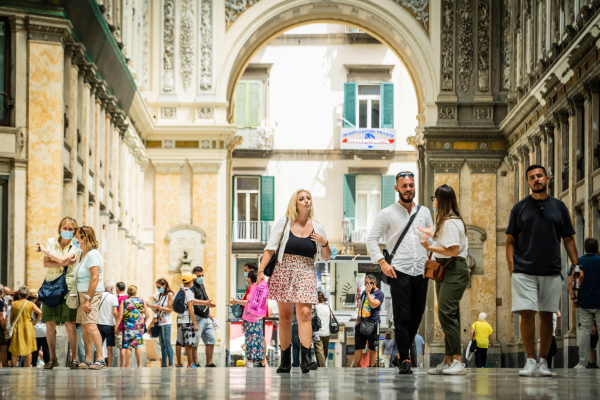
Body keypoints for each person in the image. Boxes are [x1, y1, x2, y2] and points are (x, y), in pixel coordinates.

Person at [506, 165, 579, 377]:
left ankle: (544, 361)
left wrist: (577, 265)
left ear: (547, 178)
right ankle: (530, 360)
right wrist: (512, 267)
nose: (536, 180)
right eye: (531, 178)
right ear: (528, 182)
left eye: (539, 176)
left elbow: (569, 239)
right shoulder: (519, 208)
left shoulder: (559, 207)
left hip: (551, 270)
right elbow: (509, 242)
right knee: (527, 314)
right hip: (524, 270)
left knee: (547, 316)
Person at [257, 189, 331, 374]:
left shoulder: (318, 227)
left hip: (306, 270)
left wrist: (324, 242)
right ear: (295, 203)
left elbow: (326, 256)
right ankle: (285, 361)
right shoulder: (284, 222)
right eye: (302, 199)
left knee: (305, 314)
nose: (306, 201)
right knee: (285, 317)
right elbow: (270, 249)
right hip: (284, 269)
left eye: (308, 198)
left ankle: (306, 359)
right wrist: (260, 271)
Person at [366, 171, 433, 374]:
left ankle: (399, 353)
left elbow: (431, 239)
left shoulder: (425, 212)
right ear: (397, 188)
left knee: (417, 315)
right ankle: (404, 359)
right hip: (399, 271)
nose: (408, 189)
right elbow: (371, 240)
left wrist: (432, 257)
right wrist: (382, 263)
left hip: (421, 271)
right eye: (404, 186)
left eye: (411, 185)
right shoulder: (387, 213)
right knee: (402, 316)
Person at [418, 184, 470, 375]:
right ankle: (449, 360)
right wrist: (430, 234)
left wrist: (429, 247)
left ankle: (457, 361)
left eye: (435, 197)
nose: (433, 200)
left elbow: (453, 250)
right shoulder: (447, 221)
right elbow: (444, 241)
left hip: (454, 270)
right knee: (451, 313)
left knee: (446, 314)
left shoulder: (449, 222)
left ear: (440, 200)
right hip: (448, 271)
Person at [36, 217, 82, 370]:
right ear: (60, 228)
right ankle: (52, 358)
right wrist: (61, 261)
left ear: (74, 232)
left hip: (68, 288)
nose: (67, 231)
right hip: (50, 286)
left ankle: (74, 358)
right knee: (50, 324)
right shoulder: (51, 242)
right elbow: (46, 263)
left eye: (70, 229)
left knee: (70, 324)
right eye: (65, 228)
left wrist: (47, 252)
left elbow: (61, 259)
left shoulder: (76, 247)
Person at [73, 225, 106, 370]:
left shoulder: (92, 254)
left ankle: (100, 358)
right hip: (82, 293)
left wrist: (87, 298)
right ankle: (87, 358)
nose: (75, 238)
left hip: (90, 293)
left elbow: (95, 278)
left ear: (84, 237)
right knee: (85, 326)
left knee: (91, 325)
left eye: (77, 235)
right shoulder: (83, 254)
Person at [569, 237, 600, 370]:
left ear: (585, 248)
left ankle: (582, 363)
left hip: (585, 303)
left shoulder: (579, 262)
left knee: (585, 333)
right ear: (597, 248)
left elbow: (571, 282)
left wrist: (573, 298)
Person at [231, 270, 266, 367]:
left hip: (251, 318)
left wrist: (236, 301)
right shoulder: (259, 289)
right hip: (257, 317)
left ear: (249, 279)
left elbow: (248, 303)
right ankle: (258, 359)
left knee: (250, 338)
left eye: (247, 277)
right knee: (257, 337)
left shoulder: (251, 288)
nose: (246, 279)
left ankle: (251, 360)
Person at [114, 285, 150, 368]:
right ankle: (140, 365)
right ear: (136, 292)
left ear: (128, 292)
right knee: (137, 345)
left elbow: (120, 316)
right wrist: (142, 322)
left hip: (128, 327)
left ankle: (127, 365)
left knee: (128, 346)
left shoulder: (125, 301)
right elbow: (148, 315)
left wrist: (116, 326)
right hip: (139, 327)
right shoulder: (141, 300)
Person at [353, 275, 384, 368]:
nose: (364, 284)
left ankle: (371, 366)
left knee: (373, 348)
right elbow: (361, 307)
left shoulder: (379, 294)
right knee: (358, 347)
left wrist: (368, 293)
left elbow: (373, 305)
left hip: (373, 323)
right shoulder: (363, 292)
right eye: (364, 282)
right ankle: (356, 366)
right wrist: (357, 321)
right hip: (362, 323)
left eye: (366, 282)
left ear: (372, 283)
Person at [190, 267, 217, 367]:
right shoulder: (191, 286)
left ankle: (209, 363)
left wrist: (209, 313)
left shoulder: (201, 285)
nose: (201, 278)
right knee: (195, 342)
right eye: (198, 276)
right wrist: (205, 303)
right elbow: (191, 301)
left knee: (211, 339)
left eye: (202, 275)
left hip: (206, 317)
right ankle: (195, 362)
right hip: (197, 317)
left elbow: (204, 298)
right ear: (193, 276)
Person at [9, 286, 41, 367]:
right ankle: (27, 367)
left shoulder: (14, 304)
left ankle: (13, 367)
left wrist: (13, 323)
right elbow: (40, 312)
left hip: (17, 326)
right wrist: (35, 322)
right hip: (28, 326)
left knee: (15, 348)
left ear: (19, 294)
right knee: (28, 348)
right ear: (27, 295)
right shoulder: (30, 304)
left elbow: (11, 317)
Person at [147, 278, 174, 367]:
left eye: (159, 287)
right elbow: (158, 311)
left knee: (167, 343)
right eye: (157, 287)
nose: (158, 288)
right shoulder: (161, 295)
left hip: (166, 322)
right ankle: (164, 364)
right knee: (162, 344)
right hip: (160, 321)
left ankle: (170, 363)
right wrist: (151, 306)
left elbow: (170, 310)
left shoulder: (170, 294)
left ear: (165, 285)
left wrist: (158, 307)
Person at [178, 273, 198, 367]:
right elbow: (190, 309)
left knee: (179, 342)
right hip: (188, 321)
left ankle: (178, 363)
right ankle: (190, 364)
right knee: (188, 343)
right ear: (190, 281)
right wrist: (195, 323)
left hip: (179, 320)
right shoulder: (189, 292)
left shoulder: (179, 291)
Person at [96, 281, 119, 367]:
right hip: (109, 324)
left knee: (98, 345)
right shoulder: (113, 297)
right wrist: (117, 322)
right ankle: (109, 365)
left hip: (98, 323)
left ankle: (97, 362)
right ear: (112, 288)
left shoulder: (99, 295)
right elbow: (114, 312)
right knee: (109, 347)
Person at [30, 292, 49, 367]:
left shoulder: (31, 305)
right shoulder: (44, 305)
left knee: (35, 349)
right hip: (44, 328)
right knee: (46, 348)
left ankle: (34, 364)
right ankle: (47, 363)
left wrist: (34, 322)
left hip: (35, 329)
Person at [313, 292, 331, 367]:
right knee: (324, 351)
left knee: (319, 350)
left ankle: (322, 368)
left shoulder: (315, 307)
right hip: (327, 332)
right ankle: (321, 365)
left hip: (317, 332)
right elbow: (331, 317)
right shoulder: (327, 307)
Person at [114, 282, 127, 366]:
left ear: (117, 288)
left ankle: (122, 365)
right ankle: (127, 364)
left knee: (121, 347)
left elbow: (116, 313)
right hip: (129, 325)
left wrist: (116, 326)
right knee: (127, 347)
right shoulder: (128, 297)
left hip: (121, 325)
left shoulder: (117, 299)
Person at [0, 287, 7, 367]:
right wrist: (4, 328)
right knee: (3, 346)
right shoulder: (1, 303)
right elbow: (1, 317)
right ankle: (1, 365)